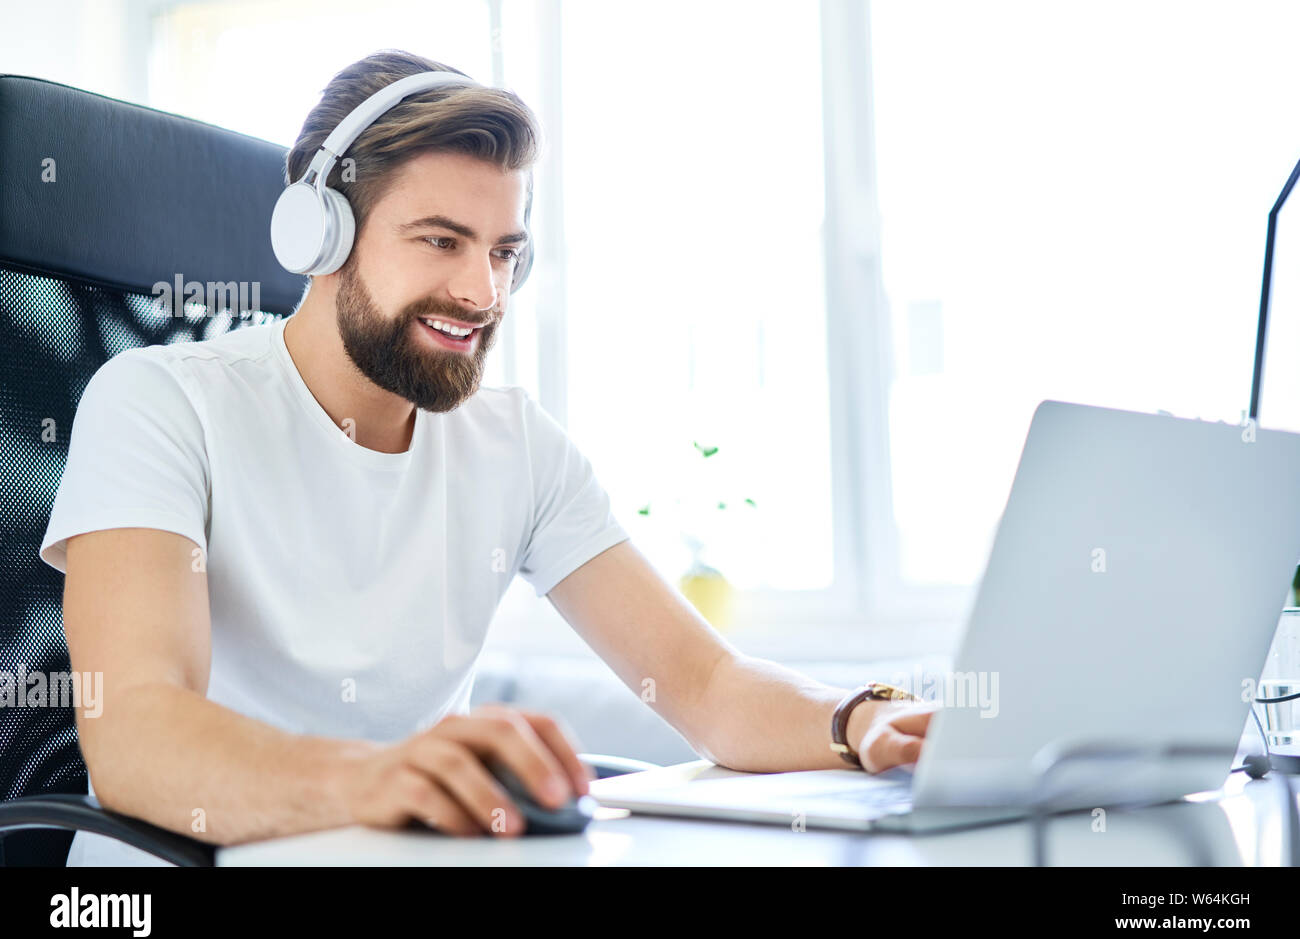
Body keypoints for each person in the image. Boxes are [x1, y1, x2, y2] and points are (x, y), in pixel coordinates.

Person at [41, 49, 935, 866]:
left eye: (506, 252)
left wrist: (860, 719)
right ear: (317, 237)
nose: (482, 293)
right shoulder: (160, 403)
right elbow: (137, 736)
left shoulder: (514, 445)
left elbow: (705, 683)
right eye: (441, 241)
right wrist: (379, 779)